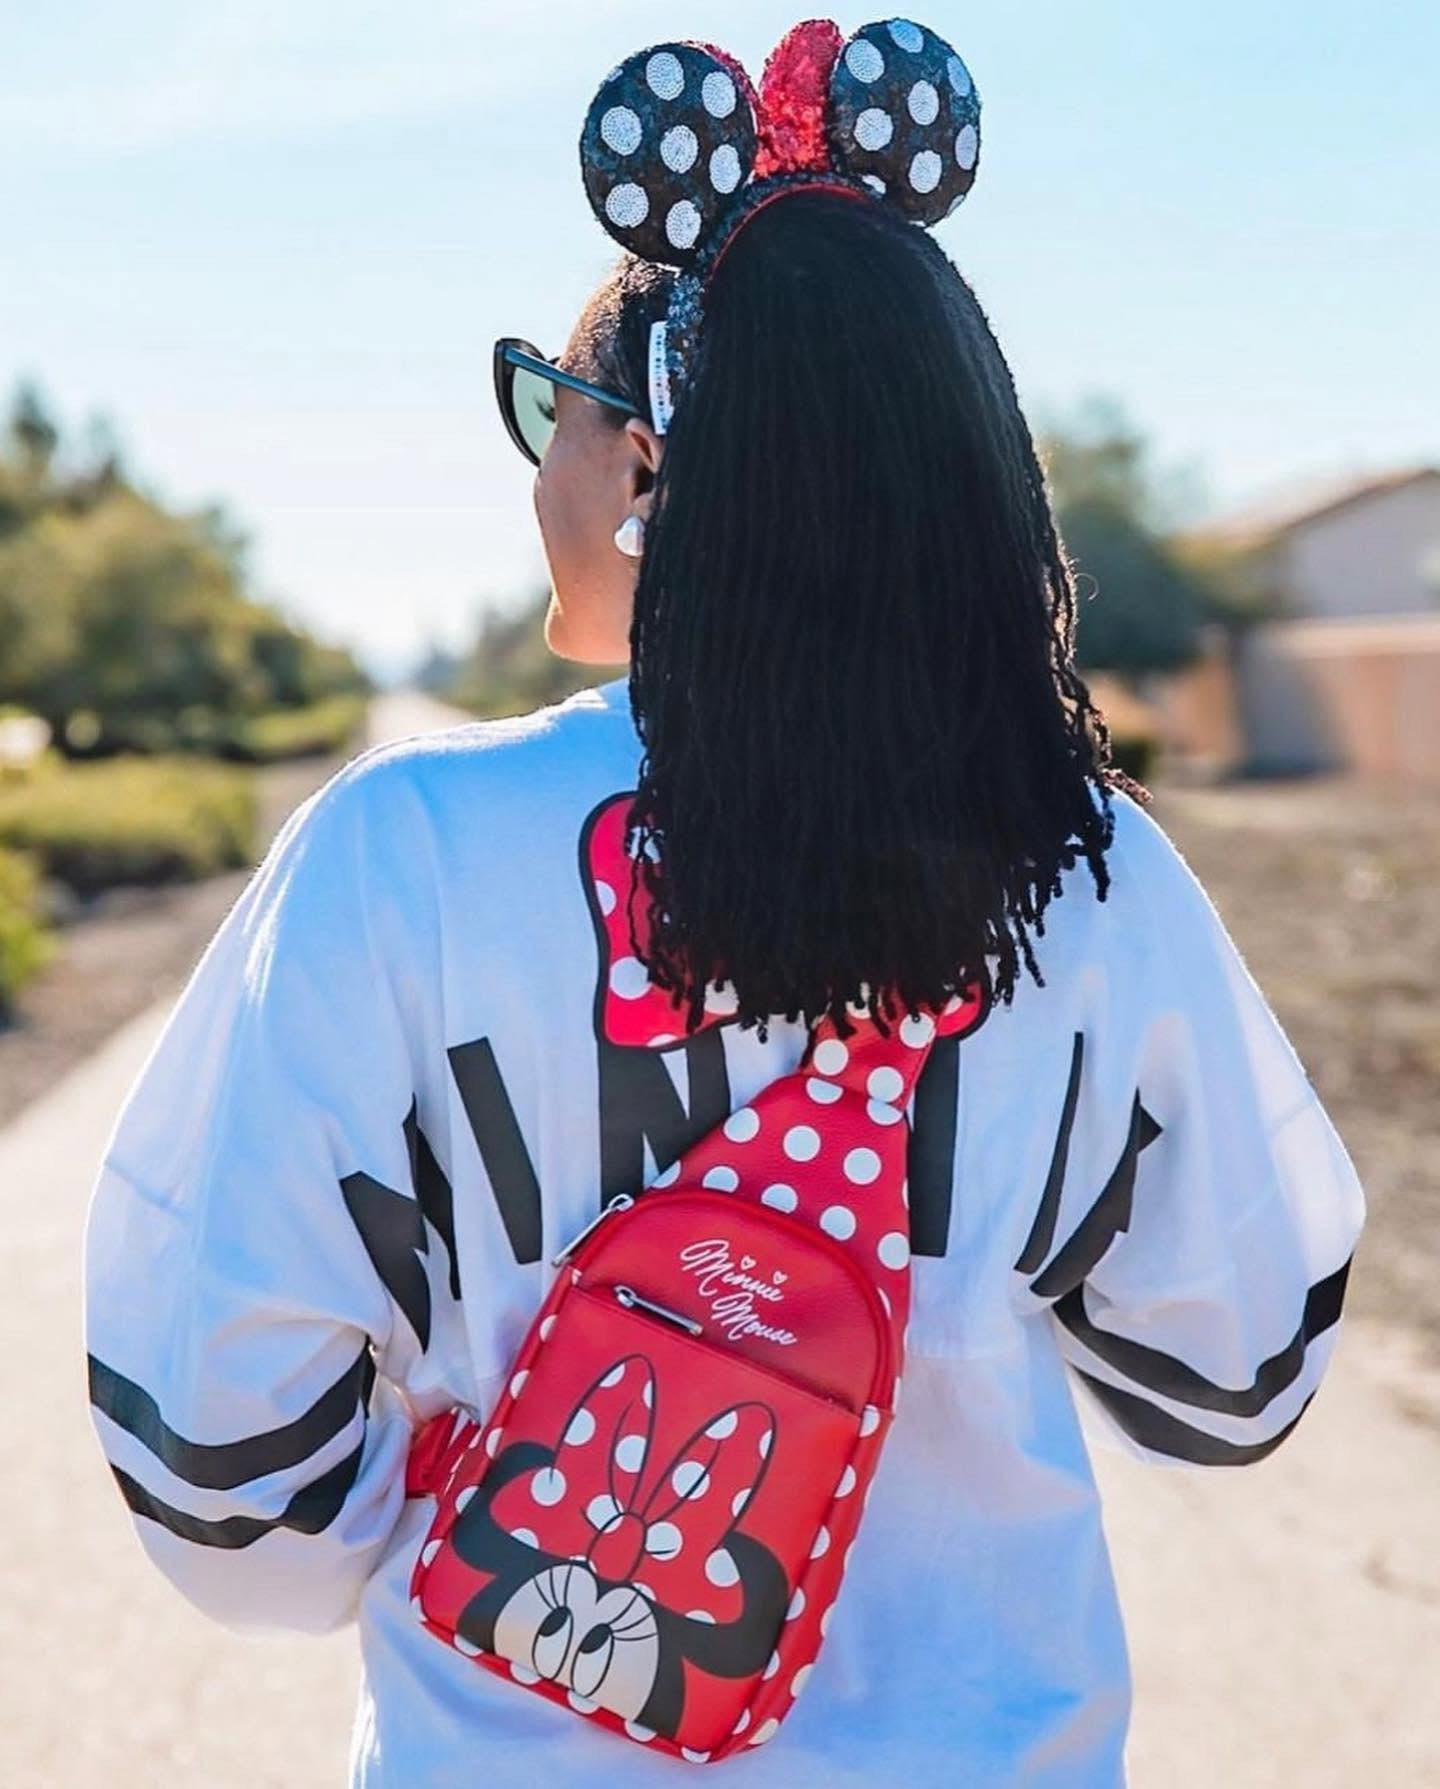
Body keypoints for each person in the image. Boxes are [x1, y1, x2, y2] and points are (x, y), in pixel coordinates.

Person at [82, 18, 1365, 1787]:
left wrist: (475, 1529)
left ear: (641, 470)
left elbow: (214, 1454)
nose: (542, 467)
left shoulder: (408, 856)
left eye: (553, 407)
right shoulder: (1087, 866)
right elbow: (1236, 1382)